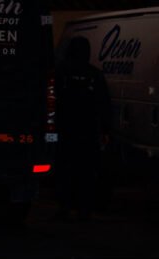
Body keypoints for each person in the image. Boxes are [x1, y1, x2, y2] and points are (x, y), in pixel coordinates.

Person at [54, 36, 112, 221]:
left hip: (65, 130)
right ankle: (84, 209)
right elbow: (104, 104)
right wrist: (104, 130)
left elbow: (51, 100)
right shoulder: (94, 75)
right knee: (85, 173)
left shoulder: (61, 72)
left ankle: (65, 207)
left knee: (65, 171)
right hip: (87, 132)